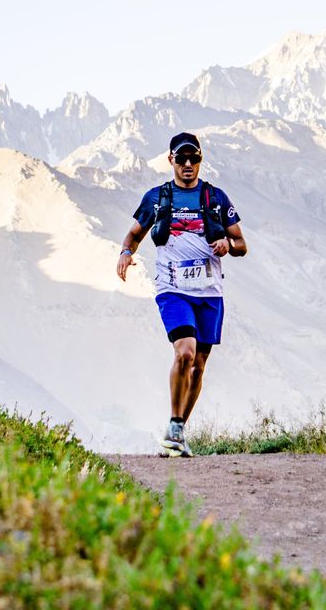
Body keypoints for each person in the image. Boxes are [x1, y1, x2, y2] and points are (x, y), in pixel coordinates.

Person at [116, 132, 247, 457]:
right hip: (172, 288)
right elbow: (134, 234)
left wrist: (227, 246)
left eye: (195, 158)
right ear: (171, 159)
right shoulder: (157, 198)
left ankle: (177, 434)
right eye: (182, 158)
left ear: (200, 160)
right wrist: (125, 253)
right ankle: (175, 425)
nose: (188, 164)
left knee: (199, 364)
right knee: (185, 353)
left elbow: (241, 244)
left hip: (209, 292)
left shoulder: (215, 198)